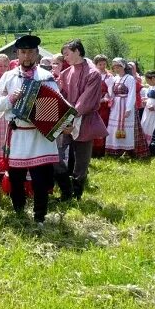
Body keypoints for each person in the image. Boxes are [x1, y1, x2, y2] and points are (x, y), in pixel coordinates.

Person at [0, 34, 66, 225]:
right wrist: (10, 100)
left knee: (41, 179)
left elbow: (59, 106)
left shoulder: (47, 78)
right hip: (18, 136)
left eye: (31, 52)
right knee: (16, 178)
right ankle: (19, 211)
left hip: (40, 136)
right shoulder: (8, 76)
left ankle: (40, 216)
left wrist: (67, 122)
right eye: (23, 52)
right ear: (18, 54)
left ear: (37, 54)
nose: (27, 56)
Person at [55, 39, 108, 200]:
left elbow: (85, 102)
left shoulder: (93, 73)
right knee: (55, 154)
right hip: (66, 121)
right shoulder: (65, 73)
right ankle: (65, 188)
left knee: (81, 160)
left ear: (77, 51)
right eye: (63, 55)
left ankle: (76, 193)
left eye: (67, 54)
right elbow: (61, 97)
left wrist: (70, 121)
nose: (65, 58)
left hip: (84, 120)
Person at [105, 57, 144, 158]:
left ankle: (129, 150)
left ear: (123, 67)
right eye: (115, 67)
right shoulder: (115, 78)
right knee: (114, 127)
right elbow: (111, 93)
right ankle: (115, 149)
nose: (116, 69)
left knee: (127, 127)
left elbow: (131, 94)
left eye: (119, 67)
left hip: (126, 104)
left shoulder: (129, 78)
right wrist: (109, 85)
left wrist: (128, 109)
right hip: (116, 106)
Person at [92, 54, 113, 157]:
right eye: (100, 64)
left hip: (104, 105)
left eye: (104, 64)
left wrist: (106, 98)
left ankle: (102, 149)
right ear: (96, 64)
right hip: (94, 104)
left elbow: (111, 91)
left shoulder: (109, 76)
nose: (102, 66)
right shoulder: (93, 74)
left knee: (103, 125)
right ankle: (93, 149)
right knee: (93, 125)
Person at [140, 71, 155, 145]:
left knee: (152, 127)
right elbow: (151, 98)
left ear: (153, 78)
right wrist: (146, 100)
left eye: (148, 80)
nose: (147, 82)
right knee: (146, 125)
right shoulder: (152, 86)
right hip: (148, 112)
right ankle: (145, 144)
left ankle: (153, 145)